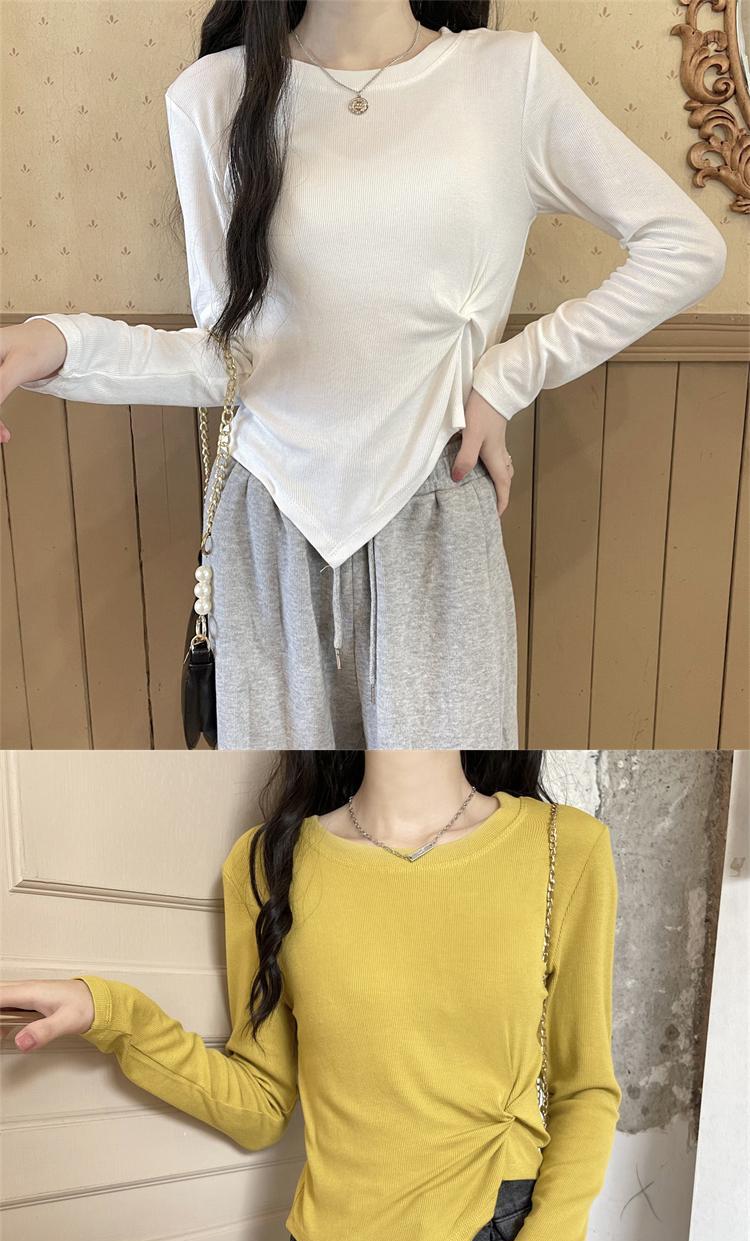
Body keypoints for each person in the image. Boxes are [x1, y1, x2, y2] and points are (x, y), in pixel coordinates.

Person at [0, 3, 727, 751]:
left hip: (439, 517)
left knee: (447, 800)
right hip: (270, 528)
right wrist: (61, 343)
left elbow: (685, 248)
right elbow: (232, 359)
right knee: (279, 800)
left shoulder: (508, 78)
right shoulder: (213, 96)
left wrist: (508, 375)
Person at [4, 748, 622, 1241]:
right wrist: (111, 1014)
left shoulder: (563, 848)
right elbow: (262, 1100)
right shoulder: (268, 864)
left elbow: (585, 1090)